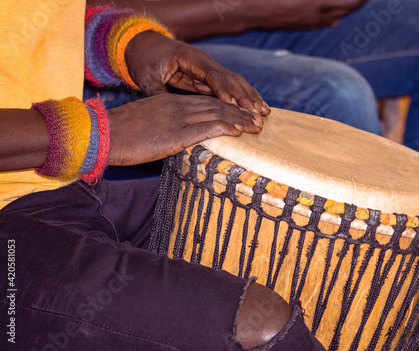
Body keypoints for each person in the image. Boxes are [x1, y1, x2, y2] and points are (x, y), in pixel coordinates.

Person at [0, 2, 325, 350]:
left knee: (291, 226)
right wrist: (98, 132)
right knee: (256, 325)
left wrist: (128, 44)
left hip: (61, 186)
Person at [94, 0, 419, 160]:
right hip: (143, 47)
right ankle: (362, 309)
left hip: (260, 19)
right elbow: (86, 23)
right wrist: (252, 9)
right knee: (338, 94)